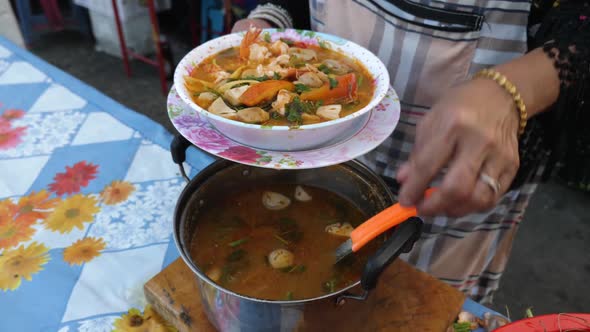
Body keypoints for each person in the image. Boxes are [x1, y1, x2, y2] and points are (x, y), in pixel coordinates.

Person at [232, 0, 590, 303]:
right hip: (316, 149)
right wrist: (273, 22)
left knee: (423, 307)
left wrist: (518, 87)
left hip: (460, 181)